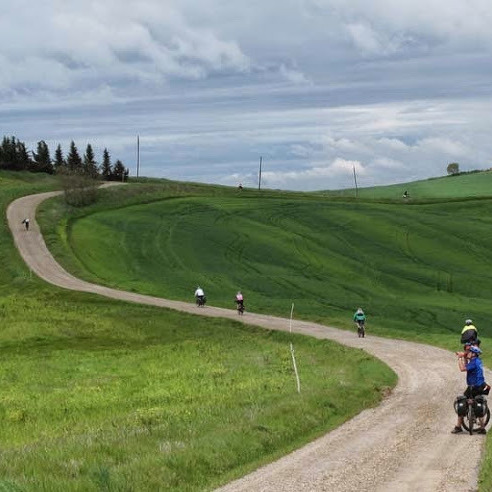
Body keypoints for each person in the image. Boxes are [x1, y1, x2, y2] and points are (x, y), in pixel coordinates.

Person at [452, 346, 488, 434]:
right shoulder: (477, 361)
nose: (467, 353)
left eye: (469, 352)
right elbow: (467, 365)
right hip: (480, 385)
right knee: (477, 403)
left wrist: (460, 358)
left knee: (462, 401)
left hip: (474, 386)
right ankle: (482, 428)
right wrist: (465, 357)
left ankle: (458, 427)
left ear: (473, 354)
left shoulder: (473, 362)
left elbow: (462, 368)